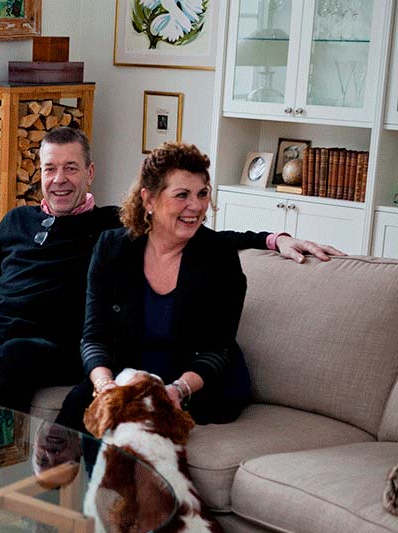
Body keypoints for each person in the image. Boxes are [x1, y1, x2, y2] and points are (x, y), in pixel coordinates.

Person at [0, 127, 341, 413]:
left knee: (14, 355)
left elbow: (194, 229)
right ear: (40, 173)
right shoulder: (18, 220)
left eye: (71, 168)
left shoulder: (114, 226)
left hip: (54, 345)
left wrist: (273, 238)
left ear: (90, 173)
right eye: (50, 169)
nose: (59, 180)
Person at [56, 141, 260, 434]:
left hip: (197, 381)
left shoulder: (219, 256)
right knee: (75, 411)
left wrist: (178, 389)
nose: (196, 206)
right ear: (149, 200)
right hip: (130, 374)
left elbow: (218, 349)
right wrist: (104, 385)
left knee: (140, 423)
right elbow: (94, 337)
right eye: (182, 195)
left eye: (202, 193)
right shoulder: (112, 248)